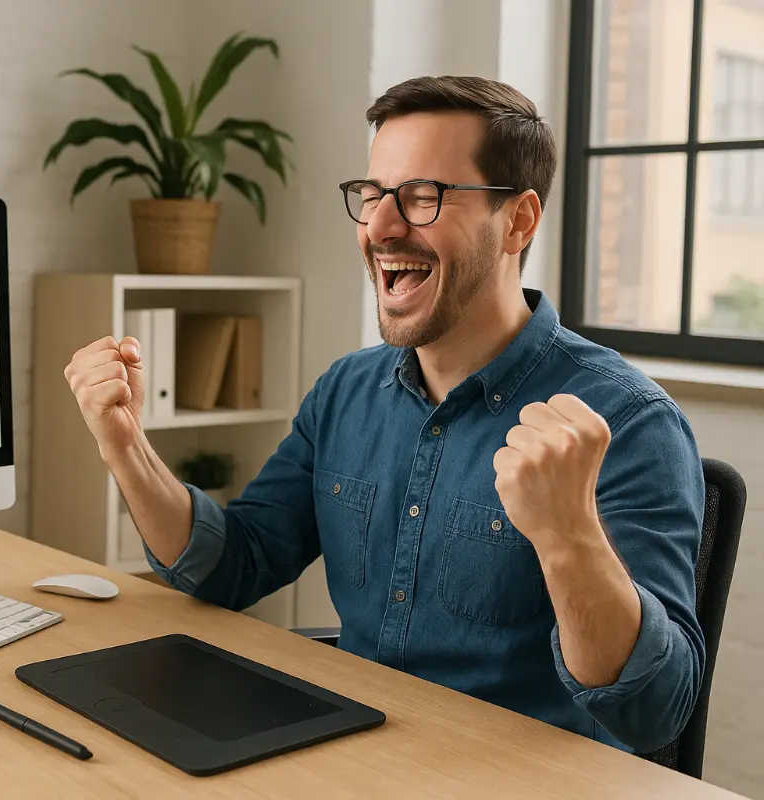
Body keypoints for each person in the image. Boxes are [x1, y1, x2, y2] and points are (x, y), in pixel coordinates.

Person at [63, 76, 704, 754]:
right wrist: (125, 446)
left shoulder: (629, 422)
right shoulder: (346, 391)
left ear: (518, 220)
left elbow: (655, 714)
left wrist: (569, 535)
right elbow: (234, 565)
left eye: (422, 197)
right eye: (371, 197)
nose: (380, 227)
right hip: (354, 758)